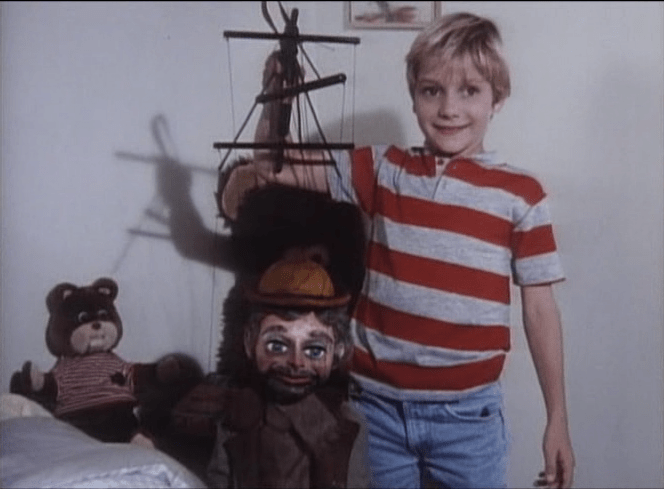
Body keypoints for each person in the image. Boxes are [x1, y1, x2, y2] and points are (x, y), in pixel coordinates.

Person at [219, 11, 575, 489]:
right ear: (413, 96)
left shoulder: (521, 194)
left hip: (468, 418)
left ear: (498, 99)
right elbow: (273, 166)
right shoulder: (382, 167)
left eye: (469, 91)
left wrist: (557, 418)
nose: (449, 108)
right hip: (377, 409)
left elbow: (540, 309)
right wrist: (276, 96)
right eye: (432, 90)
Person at [205, 250, 371, 488]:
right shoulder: (238, 415)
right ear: (250, 342)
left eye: (314, 350)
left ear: (338, 351)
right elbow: (219, 480)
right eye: (277, 346)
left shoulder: (346, 422)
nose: (296, 362)